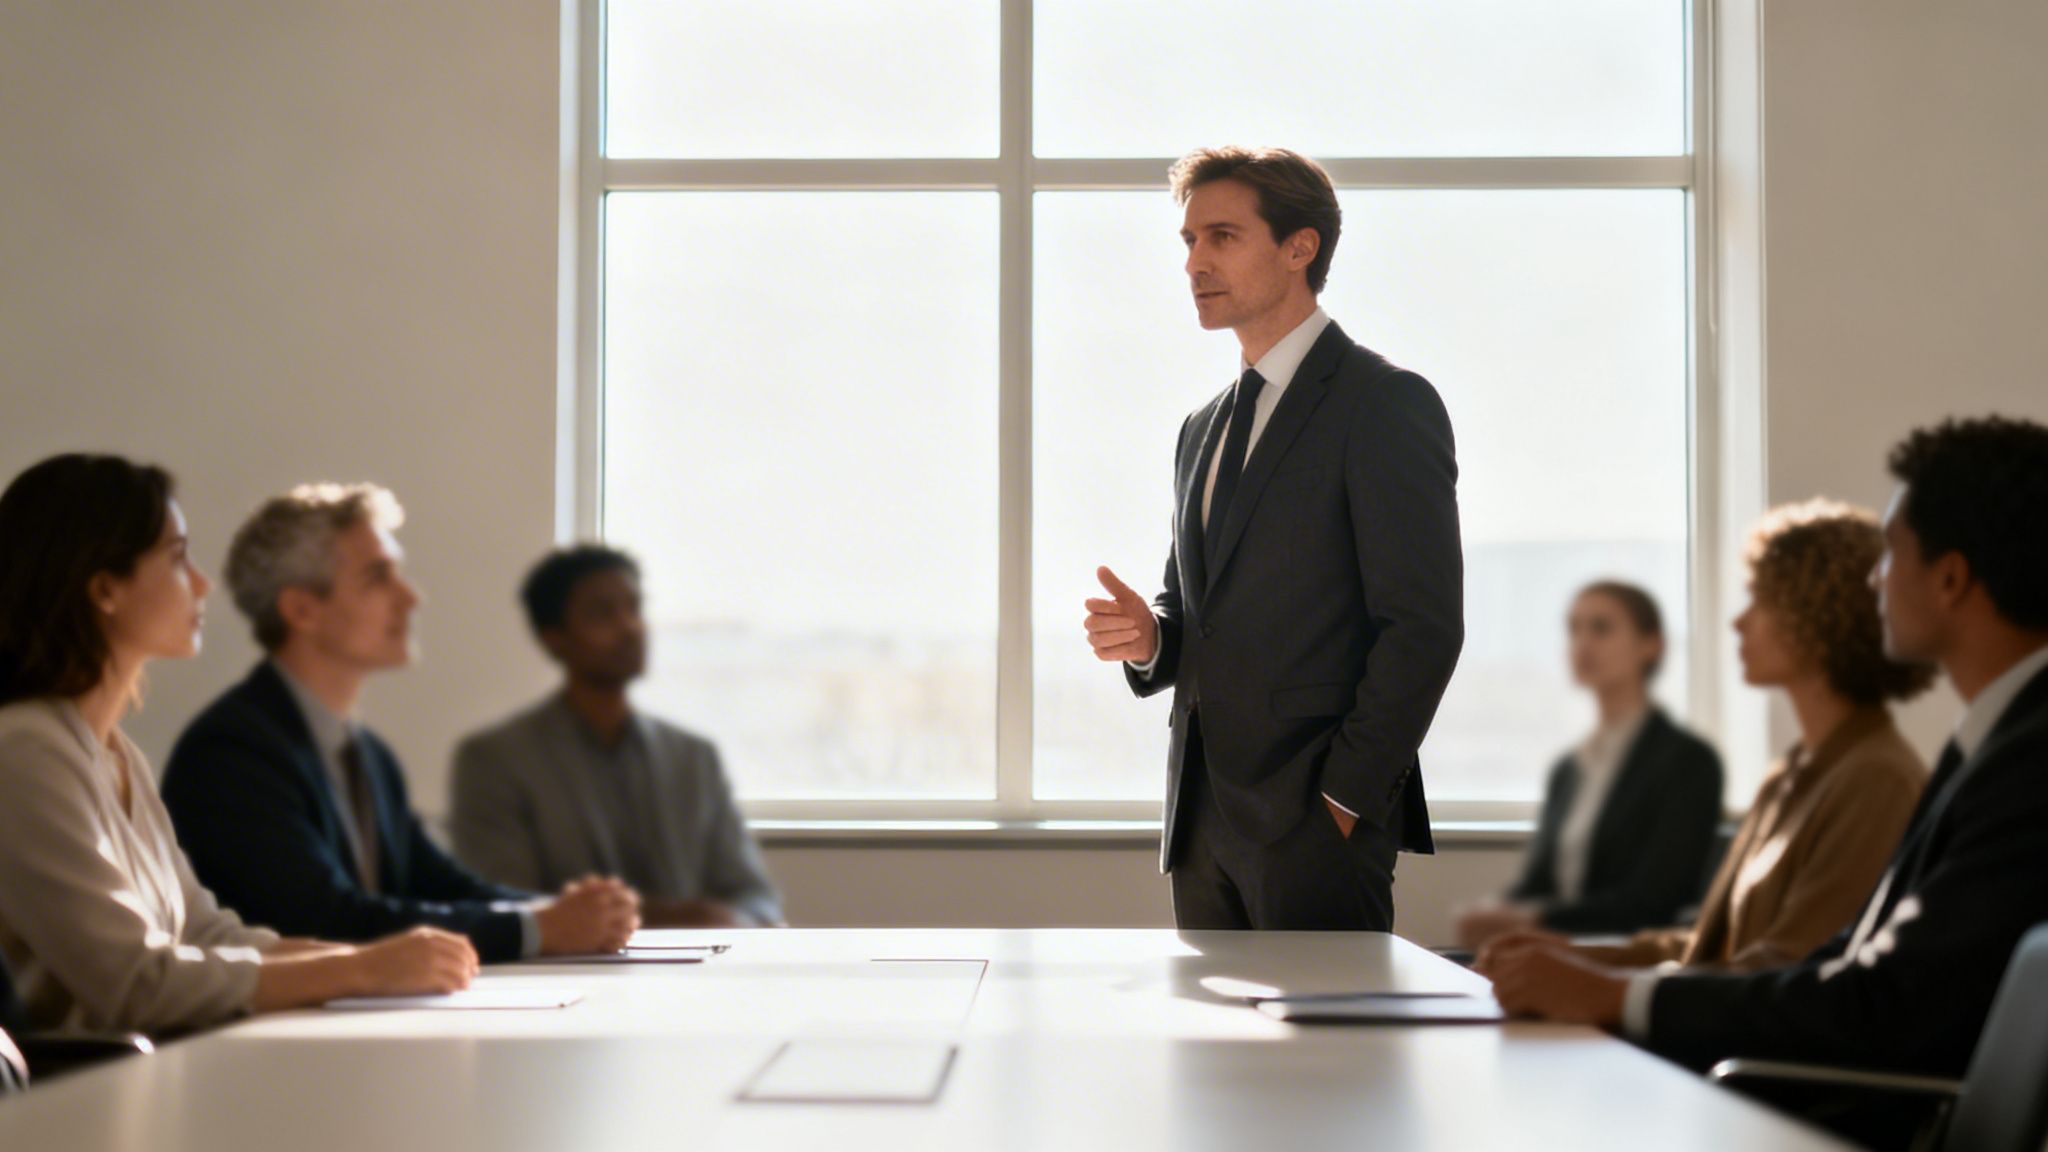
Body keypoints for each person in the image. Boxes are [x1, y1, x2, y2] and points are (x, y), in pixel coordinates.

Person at [1480, 417, 2048, 1126]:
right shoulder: (1986, 743)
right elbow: (1842, 965)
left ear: (1952, 577)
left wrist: (1613, 993)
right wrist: (1583, 964)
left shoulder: (2005, 764)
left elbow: (1872, 1000)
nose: (1877, 576)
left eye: (1892, 554)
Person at [1084, 146, 1464, 930]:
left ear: (1300, 248)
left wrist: (1342, 800)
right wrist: (1151, 638)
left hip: (1316, 827)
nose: (1195, 262)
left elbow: (1423, 628)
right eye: (1188, 241)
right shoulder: (1201, 429)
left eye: (1222, 236)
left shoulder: (1385, 404)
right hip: (1200, 829)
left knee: (1328, 1056)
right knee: (1209, 1055)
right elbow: (1196, 615)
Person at [0, 456, 477, 1036]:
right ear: (104, 589)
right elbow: (135, 984)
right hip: (76, 1099)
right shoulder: (24, 751)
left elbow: (206, 936)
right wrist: (361, 968)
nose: (203, 583)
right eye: (177, 558)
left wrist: (379, 964)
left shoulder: (116, 752)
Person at [161, 484, 640, 965]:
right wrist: (537, 928)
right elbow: (323, 920)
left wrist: (564, 911)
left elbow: (437, 884)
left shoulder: (368, 752)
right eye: (378, 577)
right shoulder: (231, 752)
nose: (410, 597)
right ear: (302, 609)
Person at [1548, 504, 1934, 973]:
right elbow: (1712, 946)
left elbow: (1789, 971)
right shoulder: (1790, 774)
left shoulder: (1876, 780)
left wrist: (1600, 988)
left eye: (1759, 600)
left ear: (1816, 616)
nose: (1739, 622)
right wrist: (1561, 955)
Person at [449, 545, 783, 927]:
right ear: (554, 637)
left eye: (635, 608)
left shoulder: (693, 756)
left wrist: (730, 920)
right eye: (602, 613)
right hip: (566, 978)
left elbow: (757, 898)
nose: (630, 627)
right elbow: (504, 909)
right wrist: (671, 918)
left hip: (696, 975)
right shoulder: (495, 759)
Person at [1453, 582, 1723, 950]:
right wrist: (1495, 912)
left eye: (1601, 628)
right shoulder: (1568, 768)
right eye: (1574, 629)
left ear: (1651, 644)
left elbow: (1656, 900)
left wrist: (1536, 919)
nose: (1582, 644)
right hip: (1552, 950)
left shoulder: (1688, 761)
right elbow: (1539, 885)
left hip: (1629, 958)